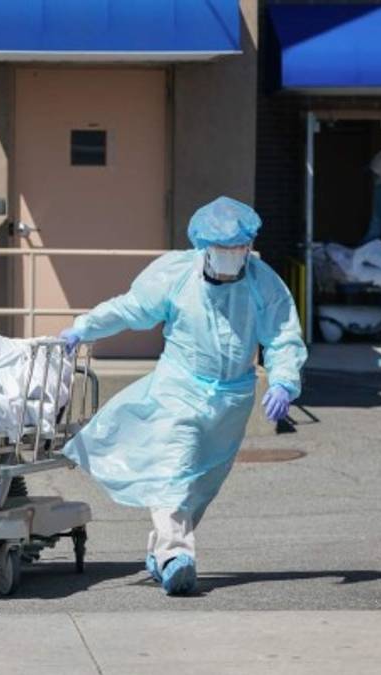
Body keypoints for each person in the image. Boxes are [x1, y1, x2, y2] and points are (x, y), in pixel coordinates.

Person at [59, 196, 306, 596]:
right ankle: (177, 556)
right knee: (175, 469)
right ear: (203, 246)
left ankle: (161, 553)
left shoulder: (263, 282)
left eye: (239, 247)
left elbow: (282, 336)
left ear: (249, 246)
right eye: (223, 248)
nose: (232, 255)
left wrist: (283, 381)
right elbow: (132, 308)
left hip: (232, 398)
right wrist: (84, 328)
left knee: (202, 484)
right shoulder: (176, 274)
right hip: (180, 388)